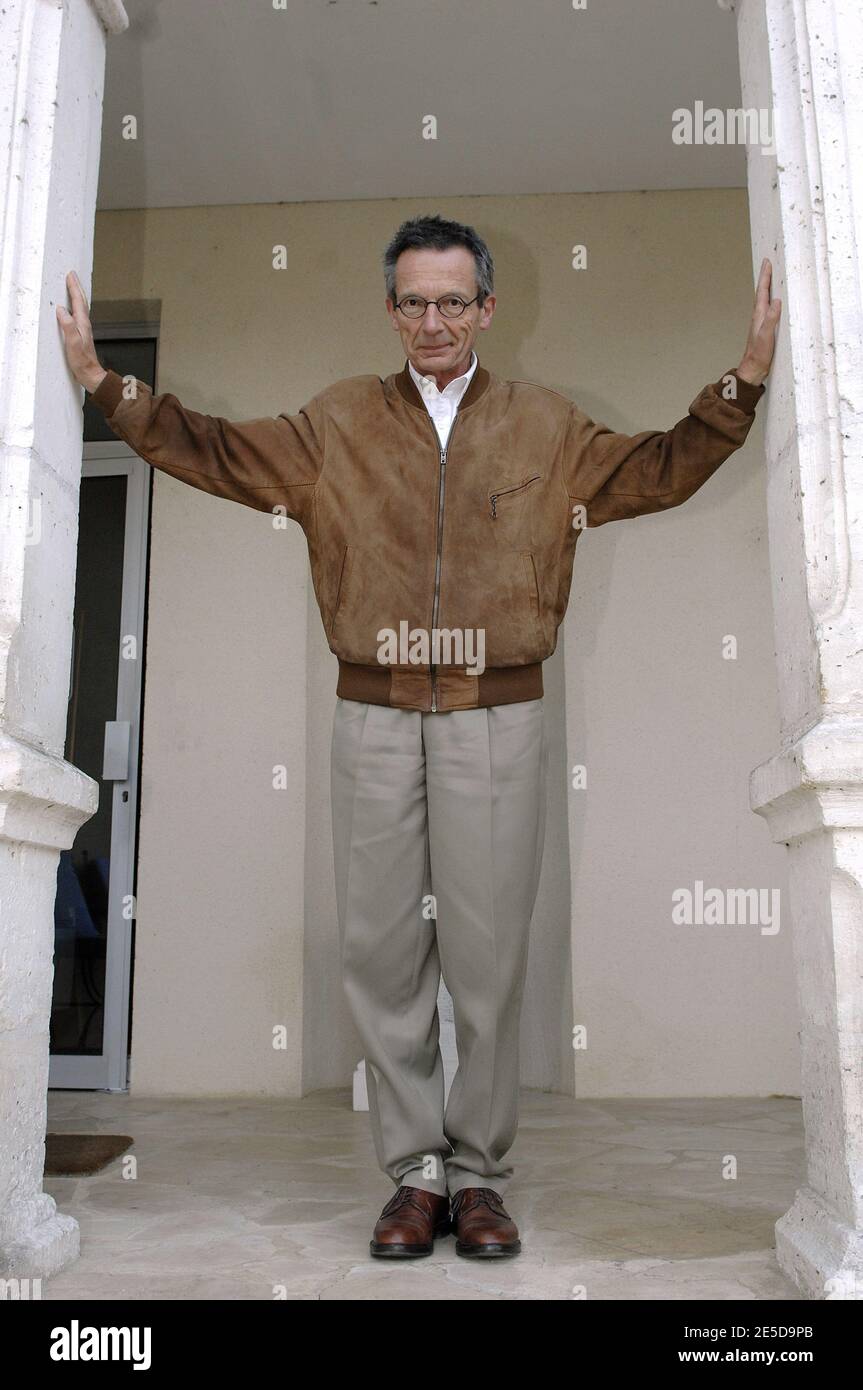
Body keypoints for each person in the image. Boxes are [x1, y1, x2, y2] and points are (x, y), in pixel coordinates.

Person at [58, 214, 780, 1260]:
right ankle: (416, 1175)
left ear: (487, 307)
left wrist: (741, 382)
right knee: (382, 955)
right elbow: (211, 448)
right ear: (389, 309)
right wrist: (103, 382)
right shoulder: (336, 424)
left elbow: (661, 467)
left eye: (452, 300)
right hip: (373, 715)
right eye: (412, 301)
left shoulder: (546, 425)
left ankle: (481, 1178)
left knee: (485, 964)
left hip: (498, 713)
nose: (432, 320)